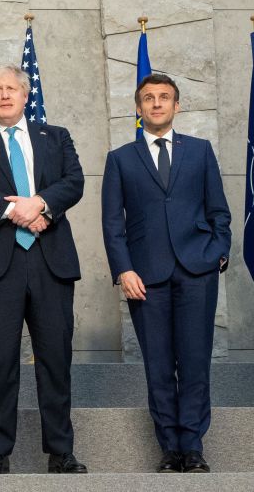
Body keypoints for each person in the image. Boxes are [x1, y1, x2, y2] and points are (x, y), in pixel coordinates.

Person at [0, 63, 87, 475]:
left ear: (26, 95)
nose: (5, 95)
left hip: (50, 262)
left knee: (56, 360)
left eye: (12, 88)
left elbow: (73, 181)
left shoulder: (55, 136)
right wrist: (17, 210)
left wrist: (40, 204)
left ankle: (61, 452)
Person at [102, 73, 231, 473]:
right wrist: (123, 269)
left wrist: (217, 255)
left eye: (164, 97)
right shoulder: (120, 159)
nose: (156, 104)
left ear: (177, 105)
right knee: (158, 365)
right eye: (148, 98)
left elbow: (219, 212)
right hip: (146, 277)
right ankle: (169, 448)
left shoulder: (200, 151)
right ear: (138, 109)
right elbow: (112, 223)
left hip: (197, 272)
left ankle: (192, 447)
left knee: (194, 363)